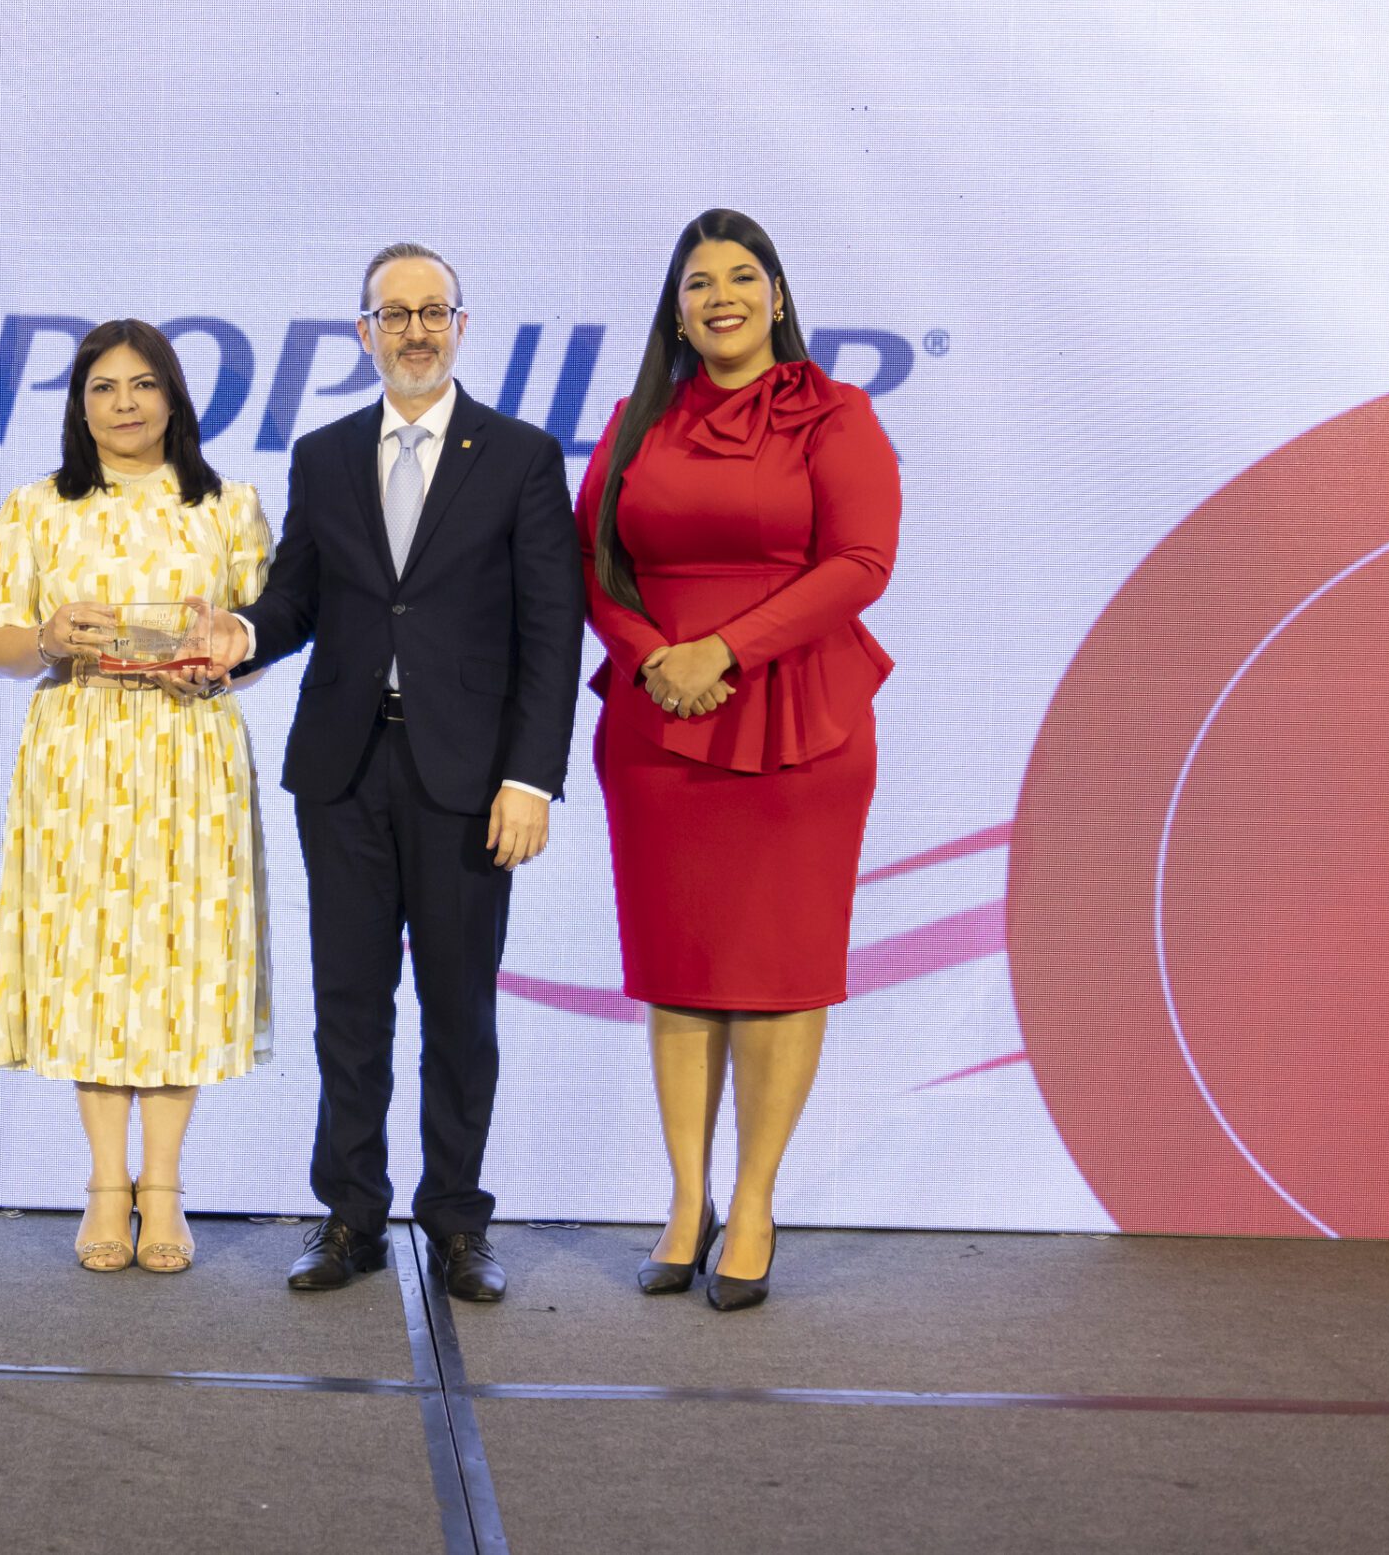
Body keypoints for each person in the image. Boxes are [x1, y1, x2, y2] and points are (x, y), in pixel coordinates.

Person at [209, 243, 584, 1302]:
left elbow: (552, 632)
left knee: (459, 1008)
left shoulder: (520, 456)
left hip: (470, 781)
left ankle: (457, 1221)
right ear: (362, 331)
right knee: (349, 1002)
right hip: (344, 769)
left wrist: (531, 779)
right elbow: (296, 599)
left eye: (432, 312)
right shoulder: (324, 454)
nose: (414, 331)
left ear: (460, 325)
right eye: (394, 313)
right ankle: (350, 1216)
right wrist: (242, 632)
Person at [575, 208, 900, 1311]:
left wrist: (724, 649)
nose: (721, 296)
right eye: (699, 282)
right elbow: (593, 566)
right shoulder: (635, 423)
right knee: (679, 973)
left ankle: (753, 1202)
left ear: (776, 294)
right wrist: (653, 658)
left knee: (774, 974)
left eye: (741, 276)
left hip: (798, 718)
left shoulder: (836, 413)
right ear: (675, 311)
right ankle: (686, 1200)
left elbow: (861, 560)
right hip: (658, 724)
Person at [0, 320, 274, 1274]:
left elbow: (258, 641)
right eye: (103, 387)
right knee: (92, 966)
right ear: (78, 405)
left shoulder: (229, 506)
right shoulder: (36, 508)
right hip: (79, 755)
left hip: (192, 753)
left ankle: (167, 1187)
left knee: (183, 961)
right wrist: (50, 636)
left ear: (174, 396)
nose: (125, 404)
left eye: (144, 384)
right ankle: (107, 1186)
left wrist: (221, 660)